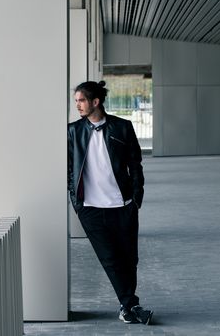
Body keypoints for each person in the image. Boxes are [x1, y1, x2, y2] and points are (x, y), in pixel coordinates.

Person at [68, 80, 153, 324]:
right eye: (76, 101)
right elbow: (69, 170)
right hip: (90, 208)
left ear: (96, 102)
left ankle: (128, 307)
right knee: (110, 258)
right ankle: (131, 306)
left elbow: (135, 164)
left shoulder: (122, 127)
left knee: (129, 258)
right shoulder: (72, 131)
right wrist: (76, 201)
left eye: (81, 101)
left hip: (123, 204)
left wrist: (136, 197)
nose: (78, 106)